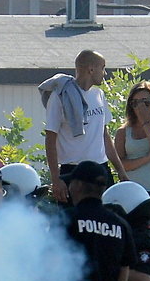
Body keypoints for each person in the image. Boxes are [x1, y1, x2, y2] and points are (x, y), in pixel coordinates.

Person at [39, 49, 129, 204]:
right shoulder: (60, 96)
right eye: (103, 67)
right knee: (73, 222)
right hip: (73, 171)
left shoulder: (98, 95)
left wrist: (120, 170)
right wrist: (56, 178)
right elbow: (50, 138)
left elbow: (104, 135)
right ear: (91, 69)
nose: (105, 73)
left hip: (100, 168)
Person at [62, 161, 137, 281]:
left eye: (71, 183)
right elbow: (125, 268)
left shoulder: (66, 219)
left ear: (79, 185)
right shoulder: (120, 224)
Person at [113, 81, 150, 233]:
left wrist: (146, 123)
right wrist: (146, 158)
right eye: (136, 103)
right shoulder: (122, 132)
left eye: (145, 102)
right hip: (129, 193)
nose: (141, 107)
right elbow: (121, 164)